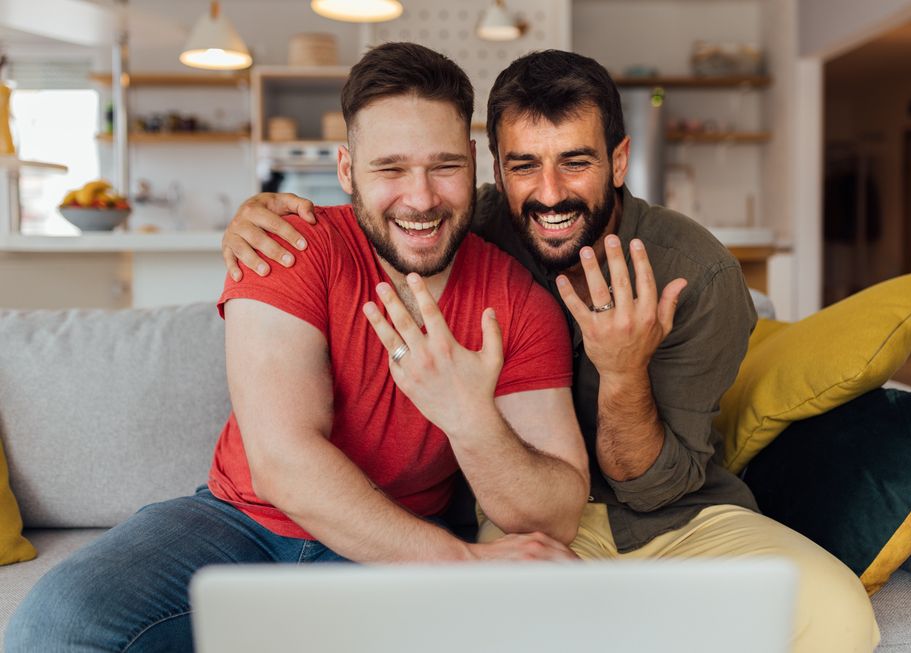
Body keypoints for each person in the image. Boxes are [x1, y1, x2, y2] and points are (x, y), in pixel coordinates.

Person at [224, 49, 881, 652]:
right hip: (526, 519)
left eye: (576, 161)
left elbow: (655, 486)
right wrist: (256, 215)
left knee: (838, 614)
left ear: (618, 162)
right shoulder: (470, 228)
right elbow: (394, 213)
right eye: (523, 166)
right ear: (494, 170)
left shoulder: (698, 276)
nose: (548, 193)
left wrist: (622, 372)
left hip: (680, 514)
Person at [4, 43, 591, 653]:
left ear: (473, 163)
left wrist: (469, 419)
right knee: (53, 628)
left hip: (396, 540)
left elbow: (552, 514)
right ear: (347, 170)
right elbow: (283, 463)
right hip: (238, 524)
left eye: (444, 166)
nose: (421, 199)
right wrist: (459, 563)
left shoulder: (518, 301)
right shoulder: (288, 247)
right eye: (390, 169)